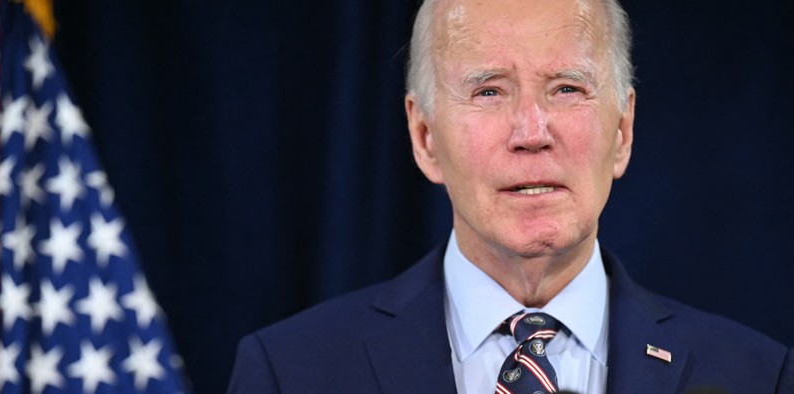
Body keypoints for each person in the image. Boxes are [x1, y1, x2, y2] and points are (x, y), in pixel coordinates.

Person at [227, 0, 794, 392]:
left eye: (567, 88)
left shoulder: (754, 376)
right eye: (489, 90)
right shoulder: (291, 373)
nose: (531, 131)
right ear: (425, 138)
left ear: (621, 133)